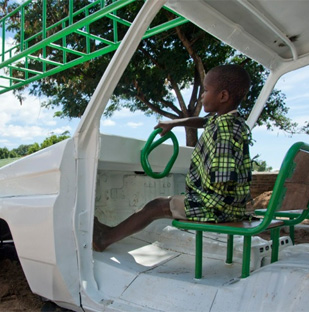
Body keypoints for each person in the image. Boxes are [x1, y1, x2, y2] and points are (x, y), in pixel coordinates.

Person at [93, 64, 253, 252]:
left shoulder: (224, 132)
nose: (202, 95)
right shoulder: (229, 121)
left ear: (223, 96)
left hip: (219, 209)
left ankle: (105, 239)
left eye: (206, 90)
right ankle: (111, 231)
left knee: (156, 207)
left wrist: (198, 196)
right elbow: (203, 121)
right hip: (232, 206)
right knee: (160, 204)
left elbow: (224, 178)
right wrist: (175, 123)